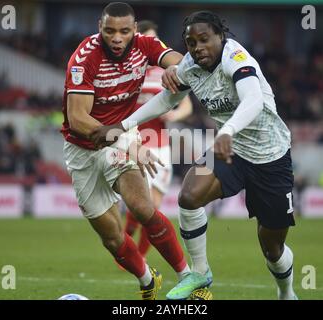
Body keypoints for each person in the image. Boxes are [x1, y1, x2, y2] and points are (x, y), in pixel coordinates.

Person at [95, 10, 298, 300]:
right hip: (231, 151)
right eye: (191, 42)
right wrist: (124, 124)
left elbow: (253, 99)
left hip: (271, 157)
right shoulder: (190, 65)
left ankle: (286, 293)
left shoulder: (236, 58)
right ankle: (200, 273)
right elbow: (167, 99)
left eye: (204, 39)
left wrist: (226, 131)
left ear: (220, 36)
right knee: (189, 196)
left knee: (272, 248)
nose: (198, 47)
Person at [61, 2, 191, 300]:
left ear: (134, 29)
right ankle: (147, 280)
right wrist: (130, 144)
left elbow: (179, 60)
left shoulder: (145, 45)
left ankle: (189, 278)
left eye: (123, 31)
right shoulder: (84, 58)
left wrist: (176, 70)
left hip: (120, 134)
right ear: (99, 28)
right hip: (82, 149)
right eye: (109, 31)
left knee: (143, 208)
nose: (116, 38)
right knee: (111, 237)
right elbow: (79, 120)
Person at [123, 20, 193, 259]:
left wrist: (174, 113)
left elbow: (186, 105)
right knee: (138, 205)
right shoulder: (126, 72)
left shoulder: (166, 73)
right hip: (133, 145)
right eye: (145, 38)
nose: (150, 44)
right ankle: (126, 238)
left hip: (160, 147)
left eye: (154, 39)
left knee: (153, 208)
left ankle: (138, 256)